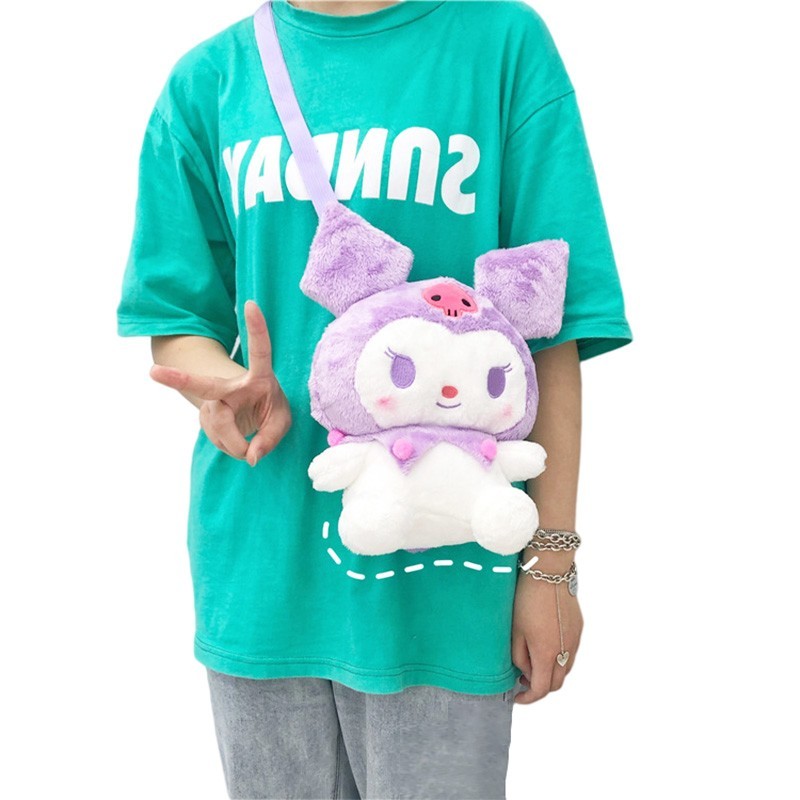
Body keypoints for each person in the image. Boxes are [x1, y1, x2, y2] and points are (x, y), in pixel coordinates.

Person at [117, 0, 633, 797]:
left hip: (452, 576)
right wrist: (221, 387)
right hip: (263, 561)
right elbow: (177, 317)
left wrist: (552, 565)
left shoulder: (502, 45)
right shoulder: (208, 81)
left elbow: (552, 330)